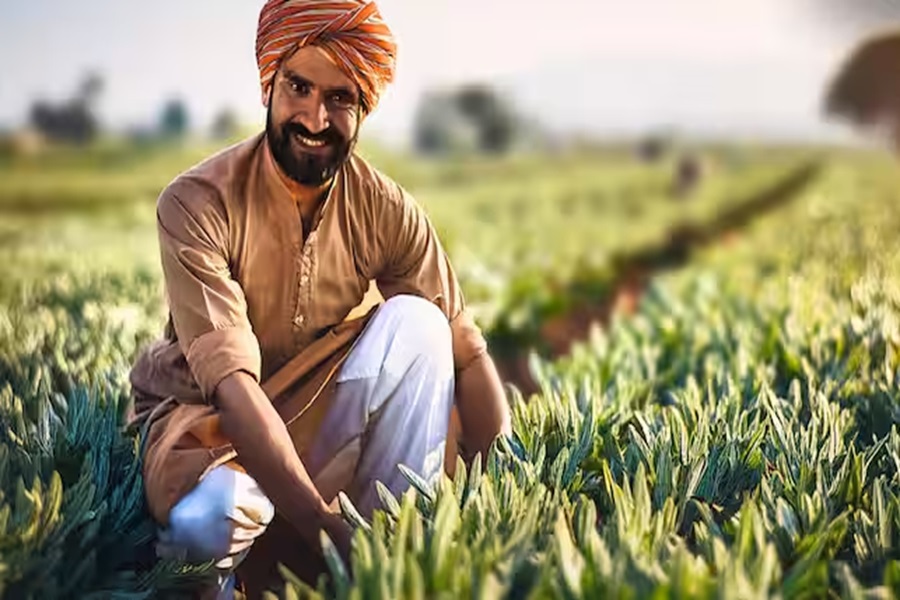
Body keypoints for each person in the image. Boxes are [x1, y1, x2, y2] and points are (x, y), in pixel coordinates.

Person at [126, 0, 511, 597]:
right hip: (208, 429)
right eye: (299, 88)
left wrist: (508, 497)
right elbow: (231, 388)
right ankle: (229, 581)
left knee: (422, 324)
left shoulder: (386, 208)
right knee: (215, 515)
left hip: (315, 415)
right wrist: (322, 530)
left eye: (339, 99)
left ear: (362, 109)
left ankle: (393, 546)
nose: (314, 117)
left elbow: (466, 354)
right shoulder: (196, 202)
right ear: (269, 85)